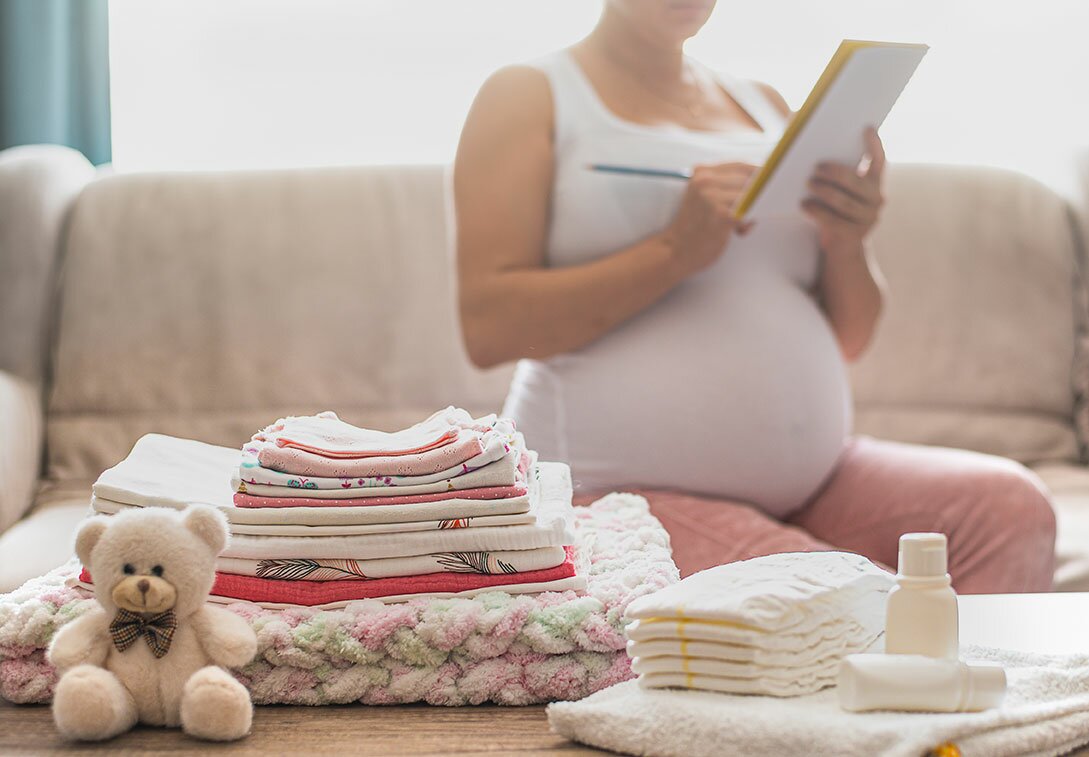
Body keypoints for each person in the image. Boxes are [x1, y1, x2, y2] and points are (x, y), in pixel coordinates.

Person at [452, 0, 1055, 592]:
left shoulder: (764, 106)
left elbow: (849, 337)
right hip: (616, 493)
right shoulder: (529, 95)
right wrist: (673, 252)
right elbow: (488, 330)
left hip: (815, 479)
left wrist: (849, 242)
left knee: (1009, 511)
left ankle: (956, 689)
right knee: (835, 595)